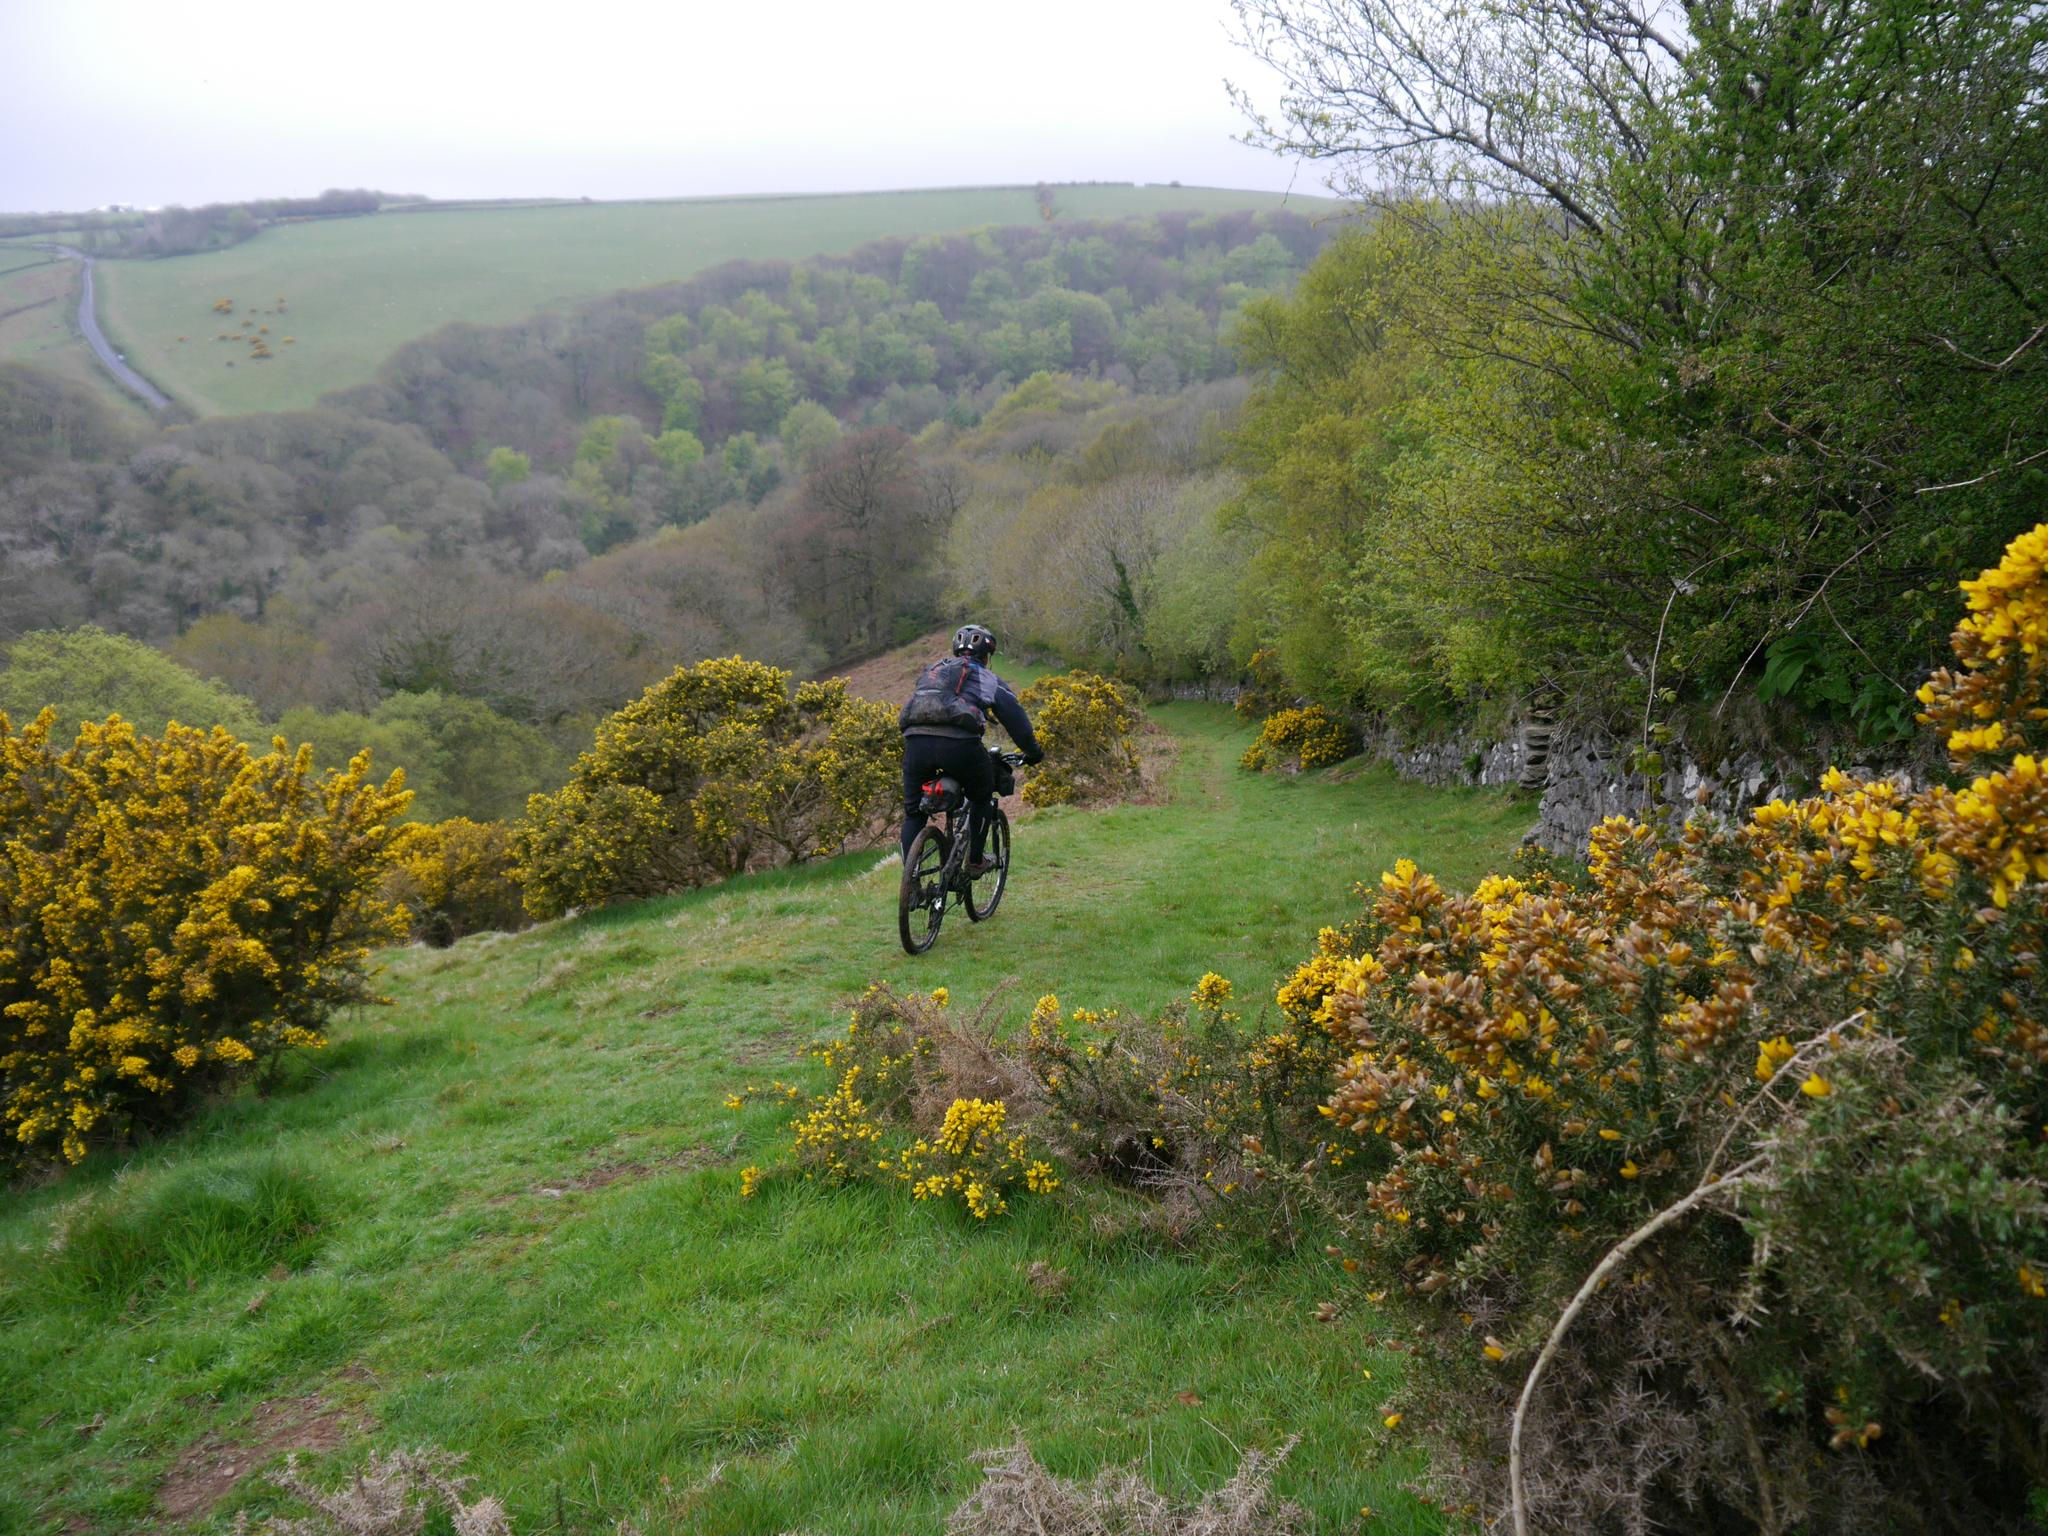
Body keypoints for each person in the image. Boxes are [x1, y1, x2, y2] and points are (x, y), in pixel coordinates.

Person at [899, 623, 1042, 873]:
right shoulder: (987, 677)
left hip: (916, 741)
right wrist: (1033, 752)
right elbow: (1015, 719)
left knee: (913, 812)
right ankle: (975, 861)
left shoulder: (933, 671)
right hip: (960, 744)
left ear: (956, 652)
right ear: (987, 656)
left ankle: (911, 879)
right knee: (981, 796)